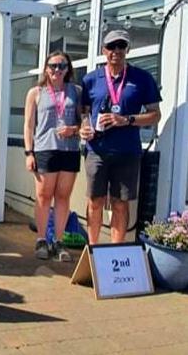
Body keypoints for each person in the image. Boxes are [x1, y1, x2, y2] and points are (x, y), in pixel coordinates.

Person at [79, 30, 161, 245]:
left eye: (121, 46)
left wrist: (126, 120)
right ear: (103, 50)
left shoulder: (142, 79)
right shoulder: (90, 79)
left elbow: (155, 115)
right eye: (111, 46)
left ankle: (115, 251)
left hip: (127, 152)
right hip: (96, 150)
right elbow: (84, 113)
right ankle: (93, 249)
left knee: (120, 204)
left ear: (127, 50)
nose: (116, 51)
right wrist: (84, 128)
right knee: (95, 202)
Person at [23, 51, 81, 261]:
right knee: (43, 196)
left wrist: (73, 130)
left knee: (63, 196)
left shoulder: (76, 91)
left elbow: (85, 122)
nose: (57, 70)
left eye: (62, 66)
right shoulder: (36, 92)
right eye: (53, 66)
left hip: (70, 150)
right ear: (46, 68)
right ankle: (41, 239)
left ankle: (57, 241)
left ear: (68, 69)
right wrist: (29, 152)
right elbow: (29, 125)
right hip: (44, 149)